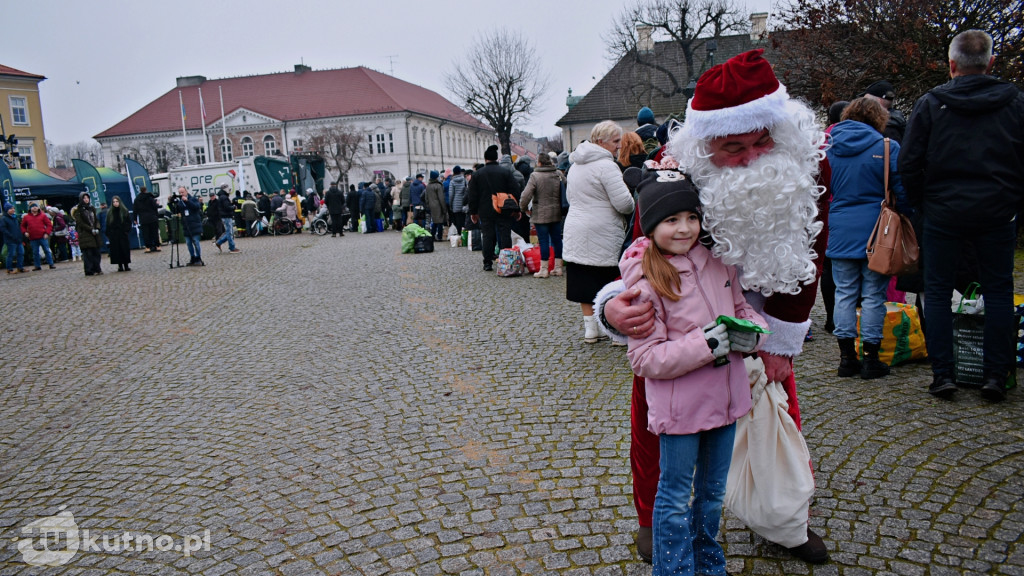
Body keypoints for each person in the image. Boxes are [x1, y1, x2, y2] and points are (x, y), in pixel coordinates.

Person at [598, 49, 830, 564]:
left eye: (762, 141)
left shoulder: (807, 161)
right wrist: (613, 306)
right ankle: (653, 519)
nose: (751, 157)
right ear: (705, 146)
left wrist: (783, 339)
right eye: (733, 147)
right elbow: (638, 248)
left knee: (780, 412)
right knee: (655, 418)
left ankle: (787, 519)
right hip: (676, 316)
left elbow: (812, 248)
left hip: (761, 314)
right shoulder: (676, 169)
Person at [623, 169, 766, 574]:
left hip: (726, 400)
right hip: (680, 411)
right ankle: (673, 569)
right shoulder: (647, 281)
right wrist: (707, 345)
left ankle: (708, 563)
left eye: (691, 217)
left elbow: (741, 308)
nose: (684, 228)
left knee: (712, 493)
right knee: (673, 496)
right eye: (671, 220)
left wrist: (752, 332)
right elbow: (644, 358)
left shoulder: (718, 263)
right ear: (652, 226)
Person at [899, 29, 1024, 403]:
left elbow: (909, 163)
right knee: (998, 290)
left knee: (937, 290)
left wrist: (924, 205)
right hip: (997, 211)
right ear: (991, 62)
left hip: (944, 211)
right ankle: (995, 374)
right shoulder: (1016, 103)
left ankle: (943, 374)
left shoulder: (931, 104)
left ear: (951, 64)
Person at [827, 97, 910, 379]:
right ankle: (871, 358)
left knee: (844, 292)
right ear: (878, 119)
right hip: (878, 229)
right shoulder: (887, 147)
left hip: (839, 226)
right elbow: (901, 190)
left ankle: (846, 358)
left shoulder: (828, 148)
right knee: (874, 295)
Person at [563, 120, 635, 343]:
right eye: (616, 141)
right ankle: (613, 330)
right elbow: (624, 204)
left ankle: (591, 330)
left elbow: (570, 198)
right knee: (609, 281)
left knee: (583, 278)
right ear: (602, 142)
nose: (619, 146)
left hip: (576, 227)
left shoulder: (575, 166)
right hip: (603, 229)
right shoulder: (607, 166)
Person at [467, 145, 522, 271]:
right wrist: (516, 209)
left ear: (485, 159)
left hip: (485, 209)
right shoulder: (505, 172)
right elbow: (515, 190)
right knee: (505, 234)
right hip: (504, 208)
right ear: (497, 158)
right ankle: (507, 261)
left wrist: (473, 212)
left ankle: (487, 262)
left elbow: (472, 195)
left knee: (487, 235)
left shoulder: (478, 174)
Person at [519, 153, 565, 278]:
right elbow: (566, 188)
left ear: (539, 163)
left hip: (540, 214)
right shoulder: (558, 174)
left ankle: (544, 270)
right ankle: (558, 268)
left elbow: (526, 195)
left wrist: (523, 208)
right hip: (556, 213)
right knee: (557, 240)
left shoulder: (535, 176)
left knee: (543, 241)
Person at [71, 192, 103, 276]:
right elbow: (80, 223)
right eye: (84, 198)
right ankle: (89, 270)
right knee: (88, 254)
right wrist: (91, 229)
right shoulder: (78, 210)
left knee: (96, 253)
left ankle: (97, 268)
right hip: (85, 234)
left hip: (95, 234)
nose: (86, 200)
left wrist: (97, 228)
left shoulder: (92, 208)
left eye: (87, 198)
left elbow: (96, 220)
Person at [171, 187, 204, 266]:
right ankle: (192, 257)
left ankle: (198, 258)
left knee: (196, 242)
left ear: (186, 191)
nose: (181, 194)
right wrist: (171, 202)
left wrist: (187, 201)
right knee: (188, 243)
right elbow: (175, 211)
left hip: (194, 224)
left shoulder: (193, 199)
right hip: (186, 225)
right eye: (180, 193)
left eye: (182, 192)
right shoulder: (180, 202)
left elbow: (196, 207)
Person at [20, 203, 56, 270]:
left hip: (43, 236)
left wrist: (47, 233)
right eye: (33, 207)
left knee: (47, 251)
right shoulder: (26, 217)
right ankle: (37, 265)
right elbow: (22, 226)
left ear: (38, 208)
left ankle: (51, 264)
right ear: (30, 208)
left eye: (36, 206)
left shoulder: (43, 215)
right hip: (33, 238)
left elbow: (49, 225)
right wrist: (25, 232)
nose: (34, 207)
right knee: (35, 252)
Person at [105, 195, 133, 272]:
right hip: (114, 235)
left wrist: (126, 231)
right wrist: (109, 233)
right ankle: (120, 265)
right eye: (114, 202)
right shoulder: (110, 212)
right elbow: (108, 224)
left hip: (123, 234)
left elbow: (128, 222)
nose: (115, 203)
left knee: (124, 249)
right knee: (117, 250)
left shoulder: (124, 211)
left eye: (117, 201)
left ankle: (126, 265)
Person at [133, 185, 161, 252]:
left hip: (143, 219)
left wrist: (135, 219)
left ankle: (148, 248)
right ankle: (157, 246)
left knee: (146, 234)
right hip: (152, 218)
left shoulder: (137, 199)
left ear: (140, 190)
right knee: (155, 233)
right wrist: (159, 205)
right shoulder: (150, 197)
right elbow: (155, 206)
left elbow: (135, 210)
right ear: (146, 190)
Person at [213, 185, 240, 253]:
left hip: (225, 216)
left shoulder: (222, 197)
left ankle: (219, 242)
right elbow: (227, 207)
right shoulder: (224, 197)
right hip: (226, 216)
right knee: (229, 232)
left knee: (229, 232)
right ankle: (232, 247)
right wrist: (233, 207)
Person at [2, 202, 25, 274]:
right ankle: (9, 269)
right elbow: (3, 229)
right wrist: (11, 236)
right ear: (7, 210)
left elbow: (19, 228)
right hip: (10, 240)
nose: (13, 210)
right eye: (11, 208)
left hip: (18, 239)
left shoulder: (15, 218)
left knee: (21, 253)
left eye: (13, 208)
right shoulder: (4, 219)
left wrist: (21, 236)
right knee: (11, 254)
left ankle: (20, 267)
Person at [425, 170, 447, 240]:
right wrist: (444, 208)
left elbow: (426, 197)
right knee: (440, 222)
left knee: (434, 221)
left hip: (431, 206)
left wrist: (428, 205)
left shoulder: (428, 186)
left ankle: (432, 235)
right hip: (438, 206)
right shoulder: (438, 185)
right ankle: (439, 237)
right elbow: (441, 198)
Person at [448, 166, 468, 235]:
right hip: (464, 203)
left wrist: (450, 205)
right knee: (464, 220)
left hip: (455, 204)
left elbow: (451, 195)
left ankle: (459, 234)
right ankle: (465, 234)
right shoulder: (464, 180)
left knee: (458, 221)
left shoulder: (452, 181)